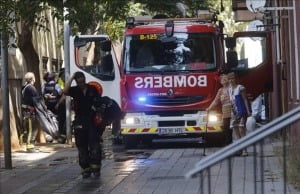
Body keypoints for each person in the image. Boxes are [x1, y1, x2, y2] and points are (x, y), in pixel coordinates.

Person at [63, 71, 102, 178]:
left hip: (91, 120)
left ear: (85, 79)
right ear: (76, 82)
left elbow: (98, 101)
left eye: (83, 81)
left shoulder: (92, 89)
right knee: (81, 146)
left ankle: (96, 168)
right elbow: (65, 91)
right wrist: (71, 77)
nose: (81, 84)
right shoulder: (75, 90)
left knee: (95, 145)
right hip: (79, 121)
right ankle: (86, 168)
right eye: (79, 82)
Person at [227, 72, 251, 156]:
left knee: (241, 129)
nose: (231, 80)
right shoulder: (229, 89)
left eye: (232, 78)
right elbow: (231, 101)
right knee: (236, 130)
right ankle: (240, 148)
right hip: (234, 111)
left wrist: (248, 111)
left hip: (241, 110)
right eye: (229, 79)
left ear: (236, 79)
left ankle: (245, 150)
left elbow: (245, 99)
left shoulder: (240, 88)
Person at [206, 73, 232, 144]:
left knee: (233, 127)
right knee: (226, 127)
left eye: (225, 79)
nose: (224, 80)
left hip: (233, 110)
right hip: (225, 110)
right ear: (220, 82)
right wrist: (209, 108)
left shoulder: (232, 88)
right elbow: (216, 101)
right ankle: (228, 143)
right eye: (222, 79)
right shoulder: (220, 90)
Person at [42, 72, 66, 143]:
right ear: (53, 78)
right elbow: (60, 93)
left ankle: (51, 136)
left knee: (50, 120)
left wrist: (47, 96)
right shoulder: (56, 85)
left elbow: (42, 94)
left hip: (48, 106)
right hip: (56, 106)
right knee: (59, 121)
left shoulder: (44, 85)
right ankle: (58, 135)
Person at [21, 72, 40, 152]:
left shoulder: (25, 87)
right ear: (33, 79)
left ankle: (31, 145)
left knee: (31, 128)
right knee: (32, 129)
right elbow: (37, 98)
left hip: (27, 110)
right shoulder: (31, 88)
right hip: (30, 111)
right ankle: (29, 147)